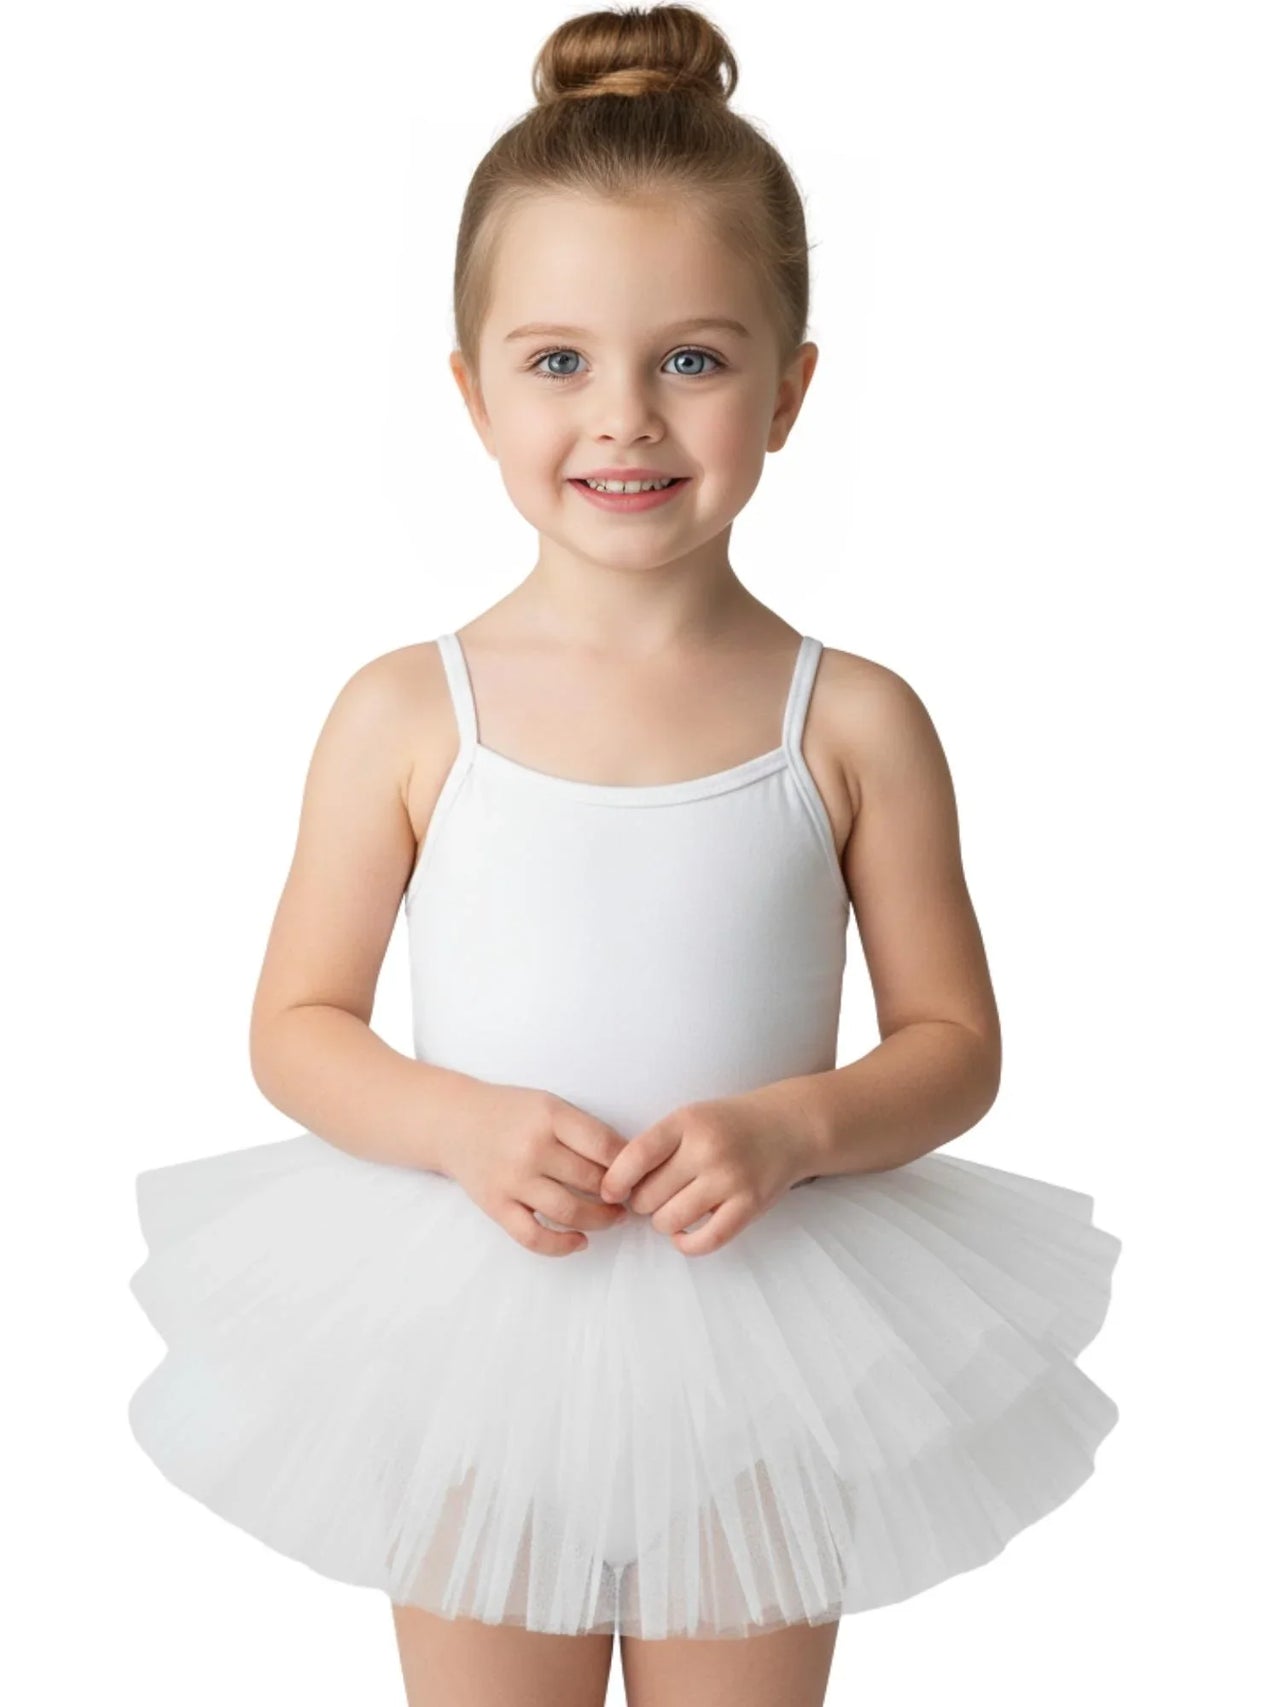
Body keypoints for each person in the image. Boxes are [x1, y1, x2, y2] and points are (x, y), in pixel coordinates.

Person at [126, 7, 1122, 1704]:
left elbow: (958, 1050)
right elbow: (296, 1022)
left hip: (761, 1326)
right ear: (471, 389)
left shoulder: (852, 720)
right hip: (474, 1320)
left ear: (790, 388)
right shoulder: (405, 712)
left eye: (694, 358)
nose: (627, 419)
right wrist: (454, 1123)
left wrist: (796, 1126)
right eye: (560, 359)